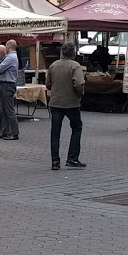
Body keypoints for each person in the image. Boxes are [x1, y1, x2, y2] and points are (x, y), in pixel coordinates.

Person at [47, 43, 86, 171]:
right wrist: (79, 94)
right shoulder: (75, 66)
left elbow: (48, 83)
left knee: (55, 131)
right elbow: (79, 83)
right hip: (71, 103)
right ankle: (72, 158)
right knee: (76, 128)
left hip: (56, 102)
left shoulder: (53, 65)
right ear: (73, 53)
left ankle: (55, 161)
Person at [0, 39, 21, 140]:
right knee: (3, 110)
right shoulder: (11, 57)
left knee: (9, 110)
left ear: (8, 46)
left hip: (8, 85)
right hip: (5, 84)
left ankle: (14, 133)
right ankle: (4, 132)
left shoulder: (10, 57)